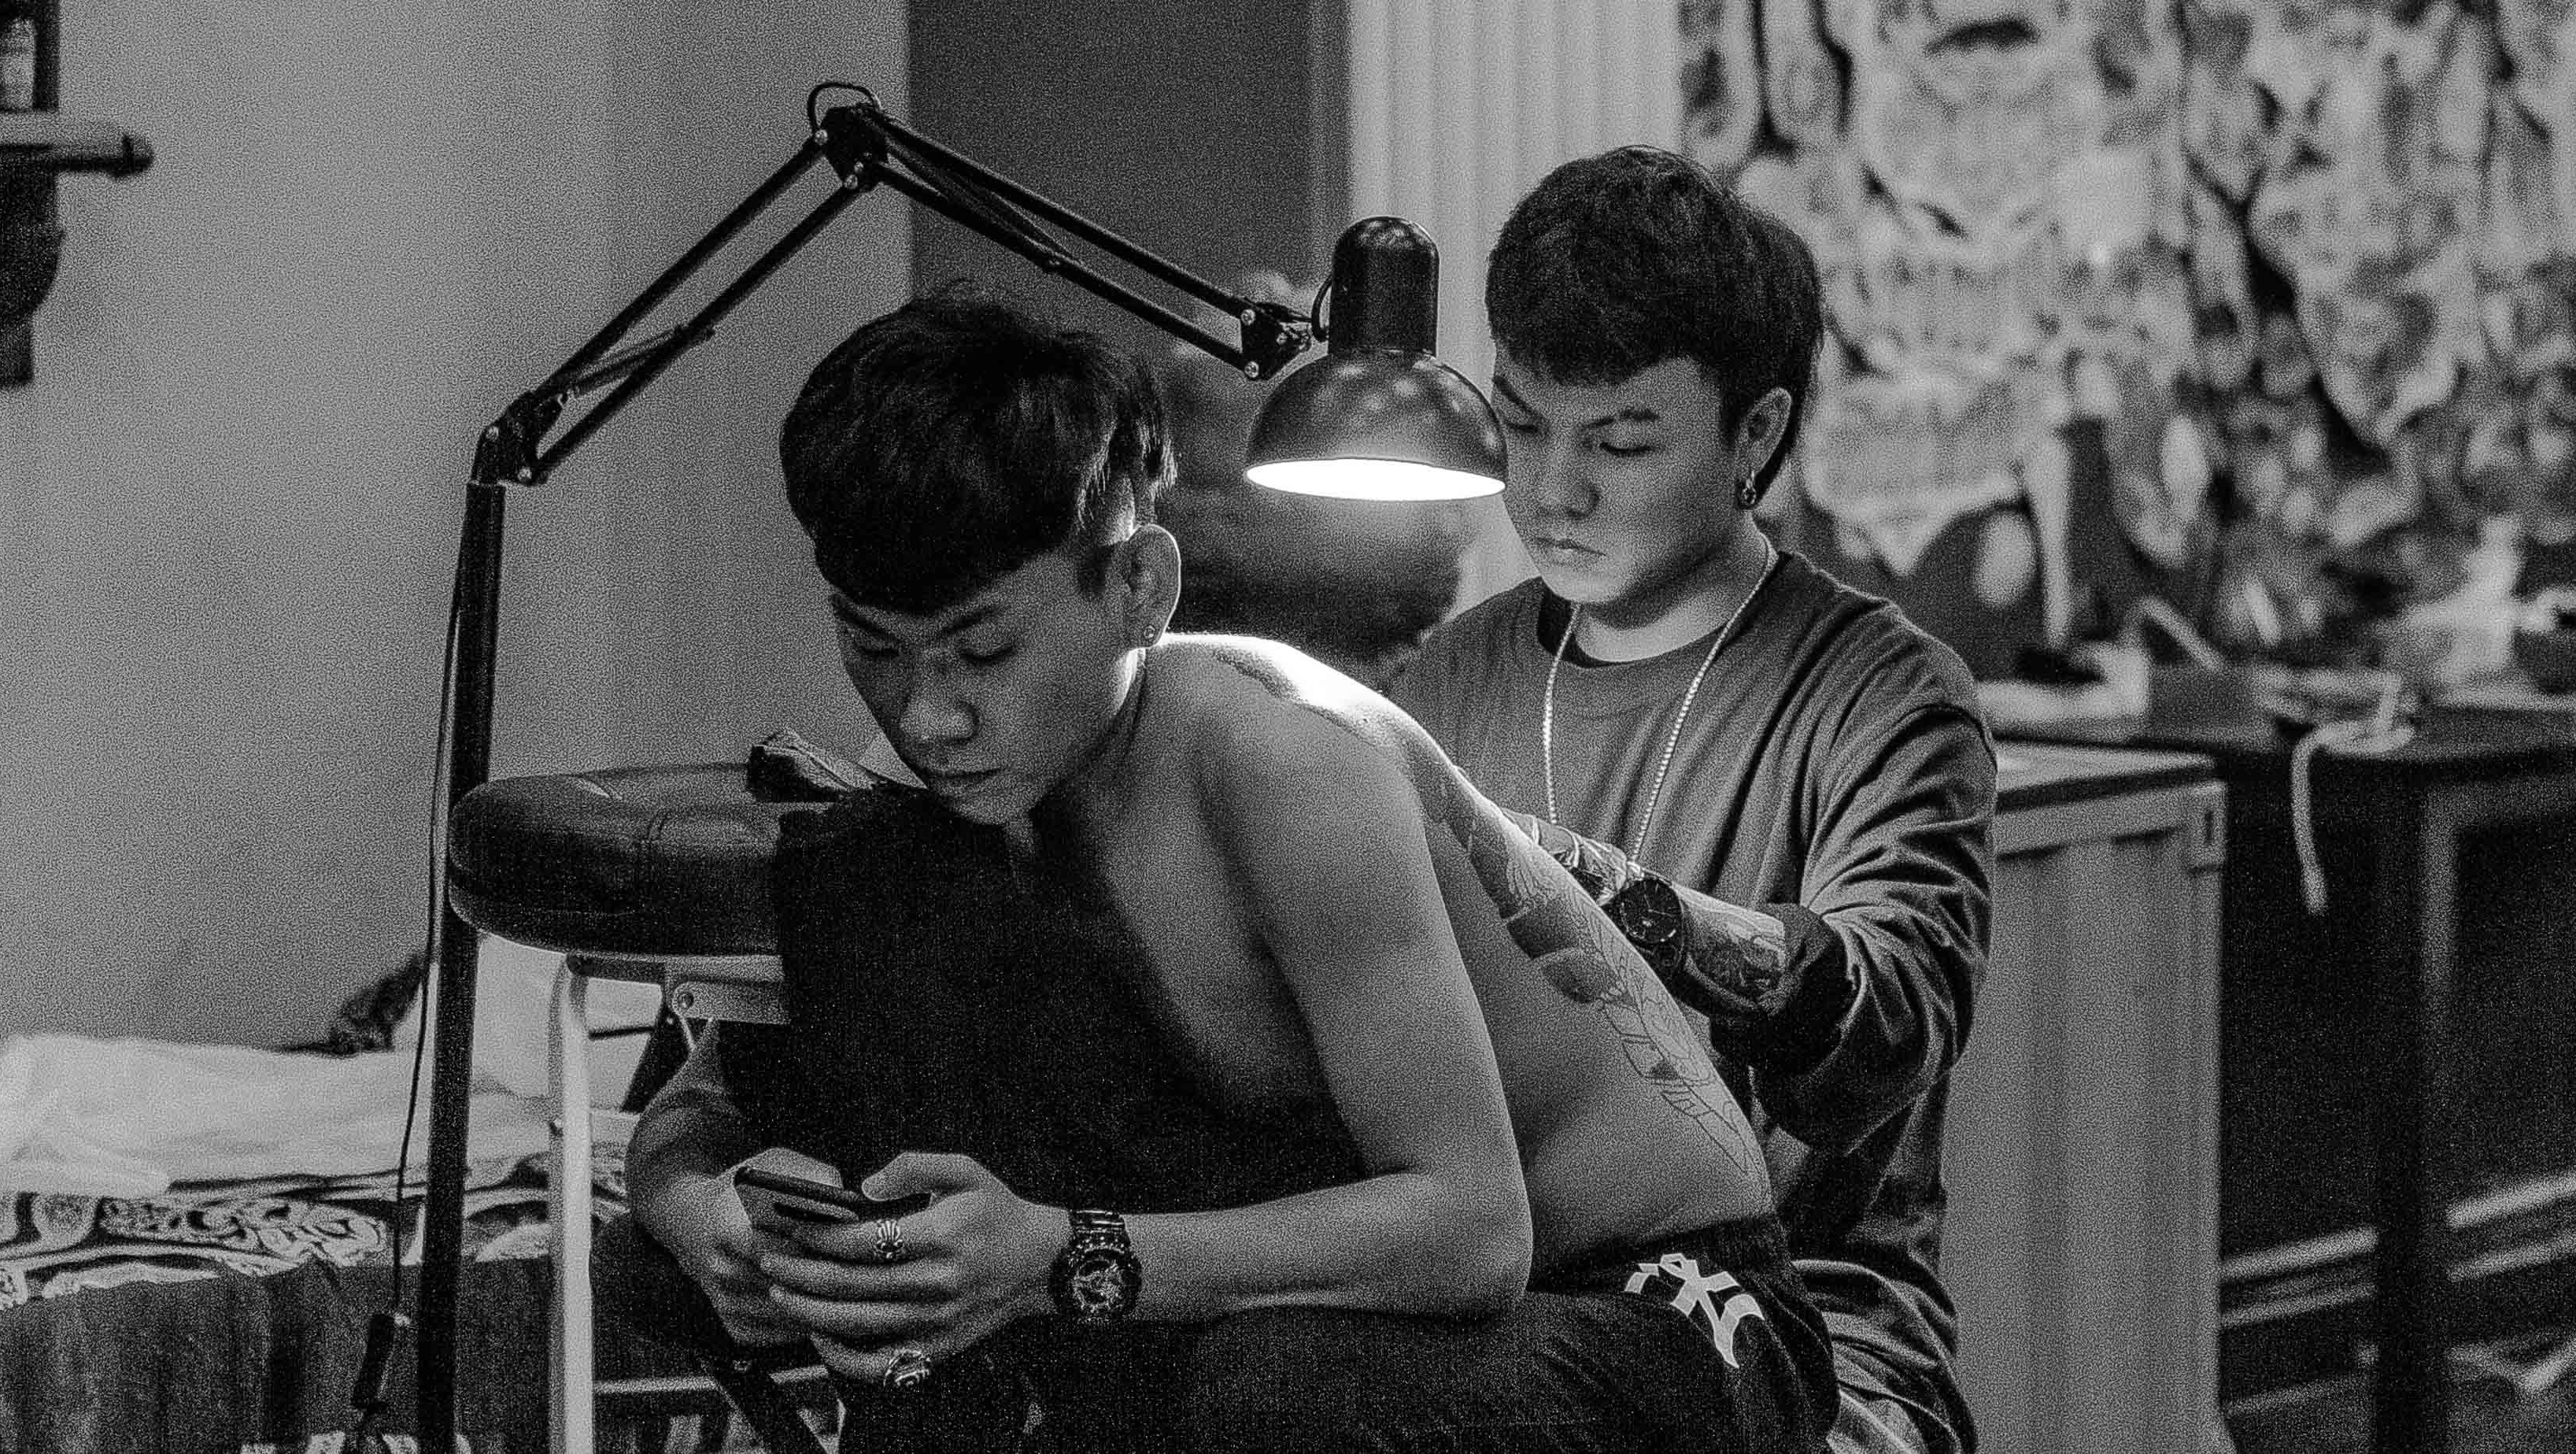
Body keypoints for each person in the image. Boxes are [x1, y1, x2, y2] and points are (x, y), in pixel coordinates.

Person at [619, 289, 1835, 1454]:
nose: (930, 716)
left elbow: (1472, 1231)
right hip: (1381, 1315)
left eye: (983, 650)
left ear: (1142, 586)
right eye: (874, 649)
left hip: (1668, 1310)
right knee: (721, 1270)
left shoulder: (1279, 762)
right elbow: (696, 1111)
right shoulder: (937, 794)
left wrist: (1058, 1256)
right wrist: (715, 1224)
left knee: (1258, 1389)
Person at [1388, 149, 1998, 1454]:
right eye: (1522, 424)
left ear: (1757, 436)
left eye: (1619, 442)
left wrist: (1599, 897)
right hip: (1515, 1297)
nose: (1551, 490)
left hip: (1808, 1330)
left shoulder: (1881, 695)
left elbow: (1891, 1017)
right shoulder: (1453, 680)